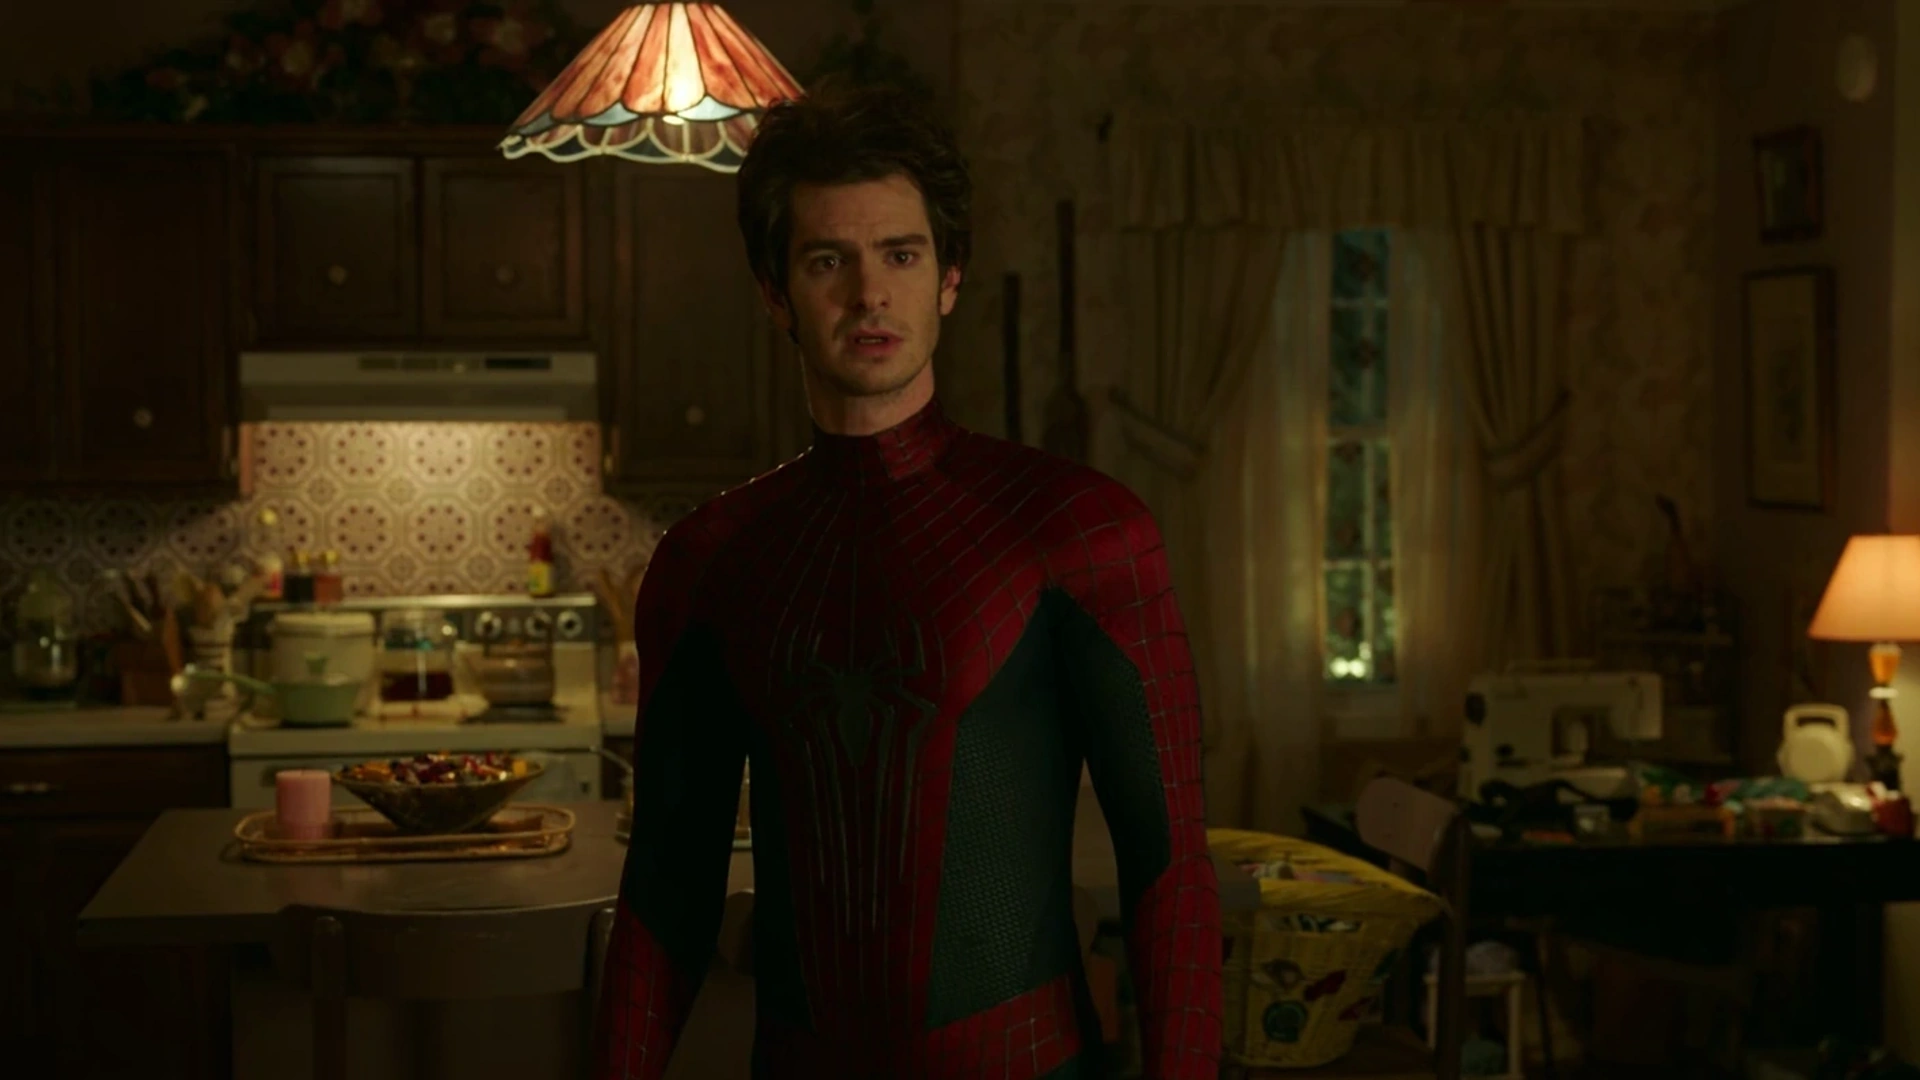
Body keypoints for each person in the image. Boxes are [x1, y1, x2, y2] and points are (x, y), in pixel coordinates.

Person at [595, 81, 1222, 1080]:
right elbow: (667, 891)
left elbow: (1171, 865)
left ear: (949, 278)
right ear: (774, 293)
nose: (869, 295)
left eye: (900, 254)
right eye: (827, 261)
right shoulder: (710, 561)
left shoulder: (1080, 530)